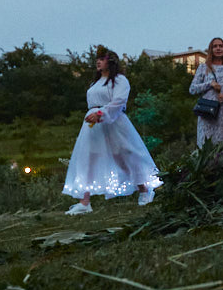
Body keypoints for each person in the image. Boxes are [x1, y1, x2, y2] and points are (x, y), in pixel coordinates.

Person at [63, 50, 161, 214]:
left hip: (112, 121)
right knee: (88, 158)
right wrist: (93, 115)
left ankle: (144, 190)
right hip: (93, 123)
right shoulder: (95, 83)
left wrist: (101, 114)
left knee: (123, 155)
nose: (98, 62)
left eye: (102, 59)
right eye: (97, 59)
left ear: (110, 61)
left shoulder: (119, 80)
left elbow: (119, 101)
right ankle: (85, 201)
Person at [188, 37, 223, 148]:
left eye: (221, 46)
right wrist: (209, 84)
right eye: (215, 46)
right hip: (207, 113)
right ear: (210, 49)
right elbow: (192, 89)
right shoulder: (203, 68)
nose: (218, 48)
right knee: (206, 148)